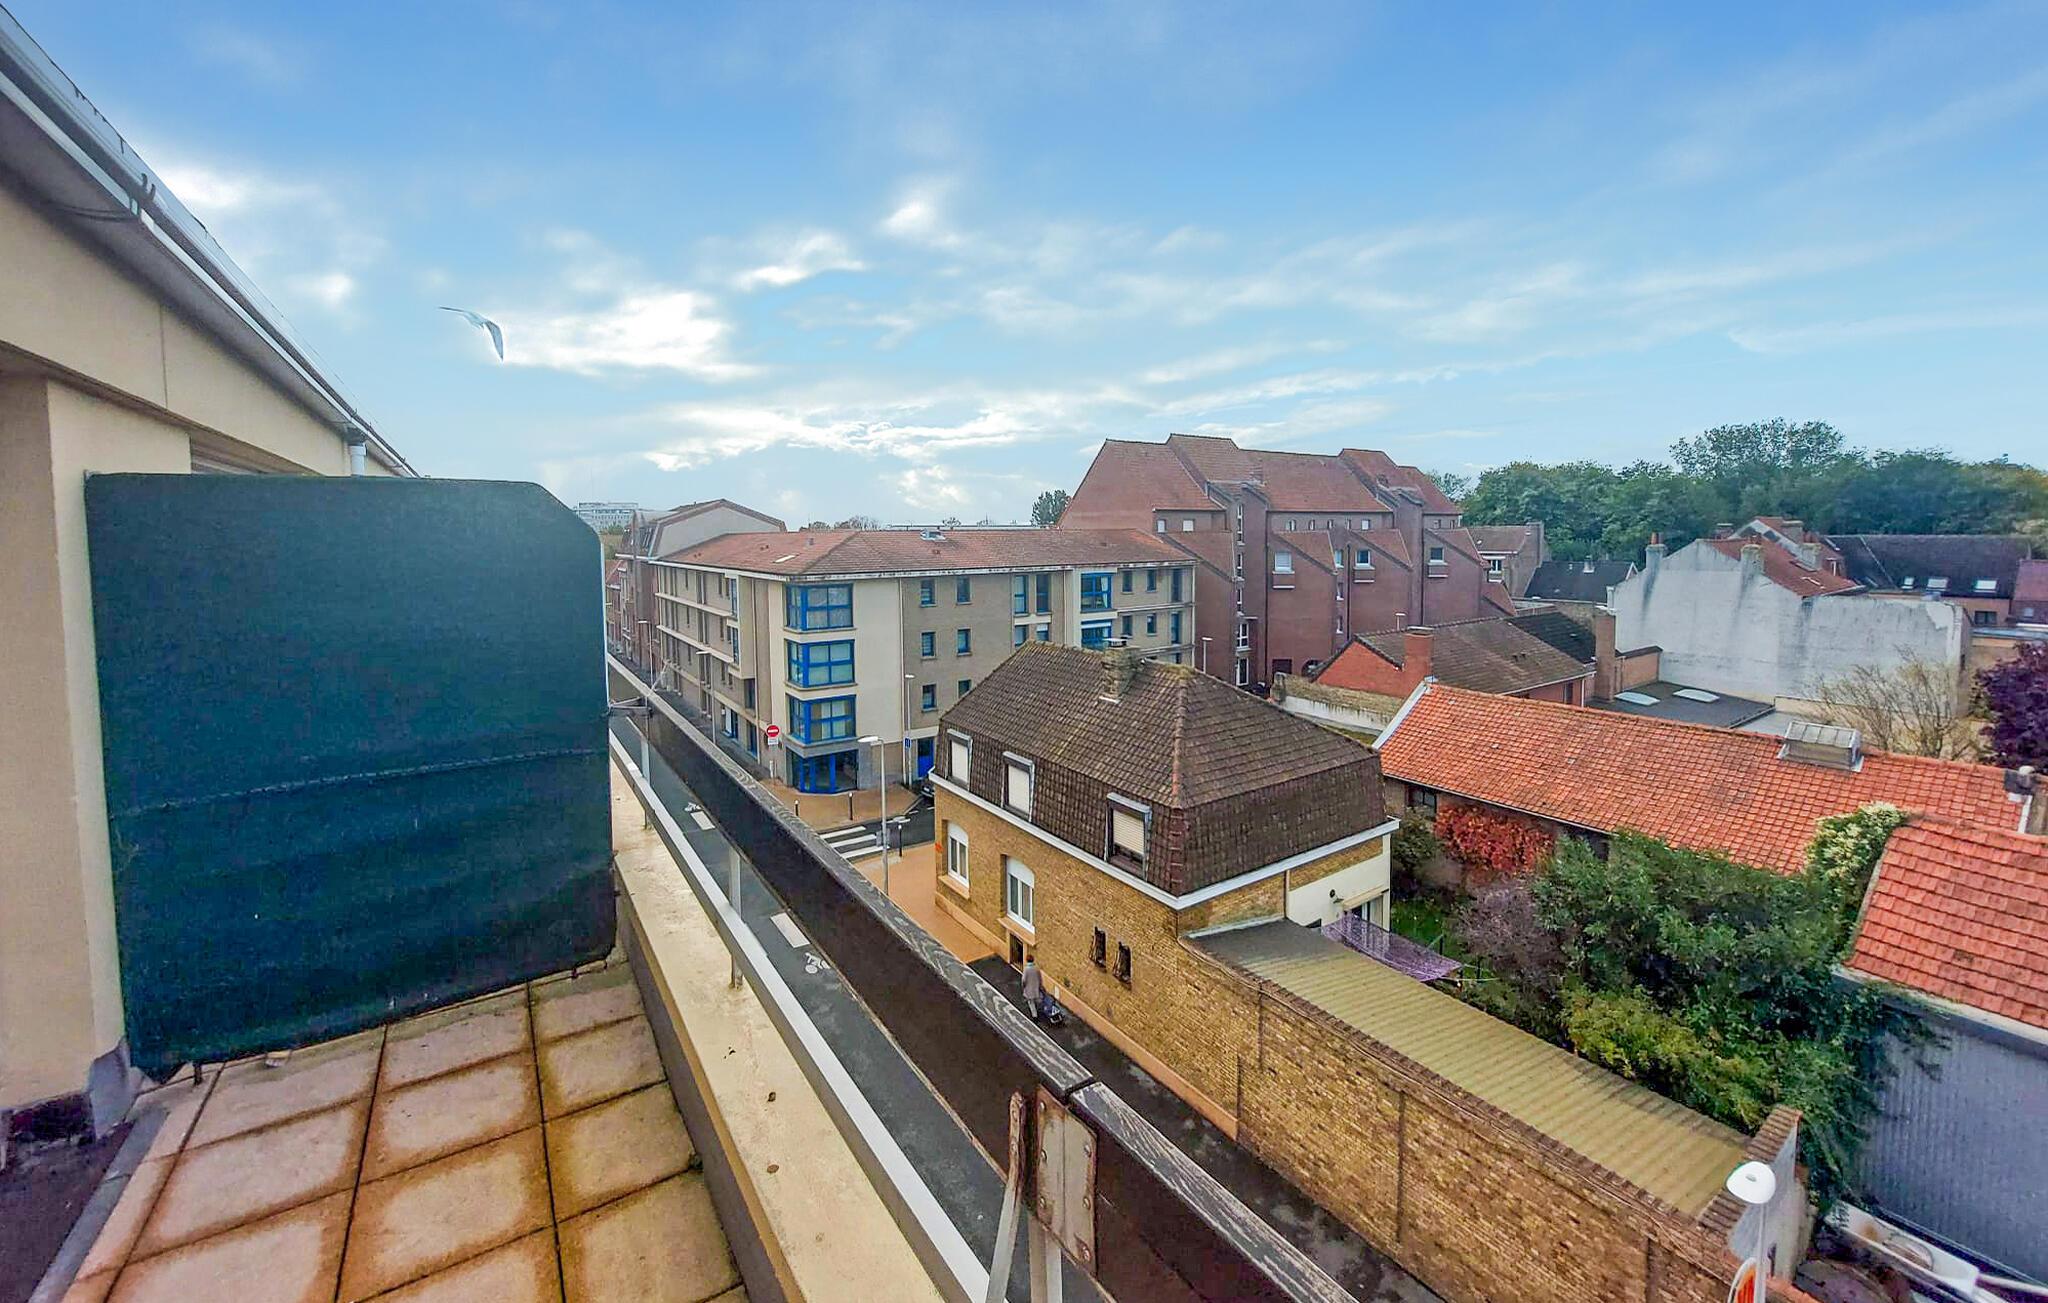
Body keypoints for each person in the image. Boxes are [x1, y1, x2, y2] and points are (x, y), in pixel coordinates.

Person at [1021, 955, 1044, 1021]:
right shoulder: (1036, 968)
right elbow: (1040, 978)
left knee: (1031, 1003)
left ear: (1027, 960)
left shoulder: (1026, 969)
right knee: (1037, 1000)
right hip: (1036, 988)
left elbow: (1024, 980)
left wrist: (1023, 986)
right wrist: (1040, 986)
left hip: (1029, 989)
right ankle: (1038, 1011)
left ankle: (1035, 1016)